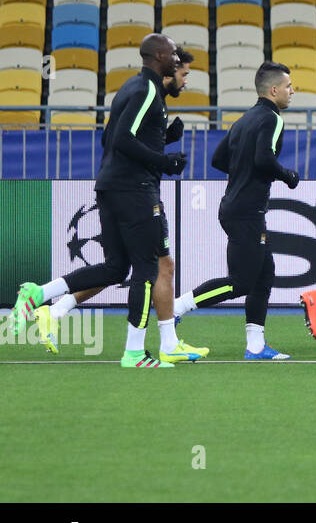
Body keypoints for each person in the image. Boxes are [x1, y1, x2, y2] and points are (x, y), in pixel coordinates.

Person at [11, 34, 189, 367]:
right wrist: (164, 161)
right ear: (160, 55)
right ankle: (134, 352)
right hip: (134, 189)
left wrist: (164, 138)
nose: (177, 60)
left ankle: (38, 294)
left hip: (110, 186)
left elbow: (110, 136)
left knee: (115, 268)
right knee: (147, 268)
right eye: (174, 54)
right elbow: (122, 140)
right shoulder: (148, 90)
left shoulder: (129, 88)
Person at [171, 62, 301, 359]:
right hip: (246, 211)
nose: (292, 91)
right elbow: (264, 159)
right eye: (289, 86)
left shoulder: (243, 120)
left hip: (237, 207)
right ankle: (178, 307)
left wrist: (244, 171)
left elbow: (219, 159)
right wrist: (287, 175)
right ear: (273, 90)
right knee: (241, 282)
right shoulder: (272, 118)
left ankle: (255, 346)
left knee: (264, 274)